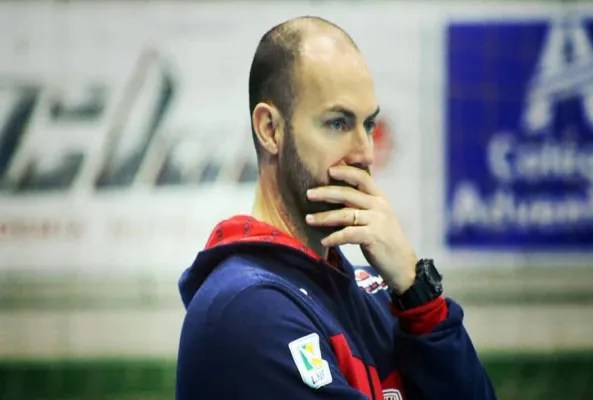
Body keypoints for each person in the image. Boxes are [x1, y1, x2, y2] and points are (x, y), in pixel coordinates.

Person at [176, 16, 497, 400]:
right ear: (270, 130)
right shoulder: (246, 309)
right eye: (338, 124)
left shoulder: (378, 291)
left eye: (369, 125)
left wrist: (418, 296)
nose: (365, 153)